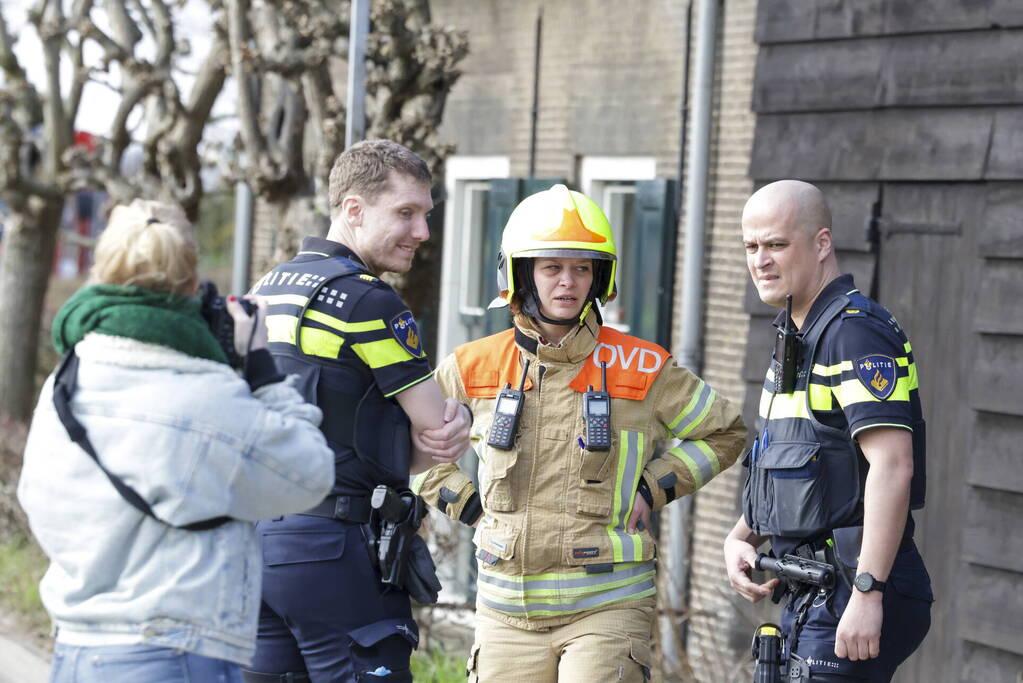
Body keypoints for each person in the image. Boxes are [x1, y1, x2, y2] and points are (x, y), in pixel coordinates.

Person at [413, 184, 746, 682]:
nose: (568, 282)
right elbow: (411, 446)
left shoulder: (644, 366)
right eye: (552, 267)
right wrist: (467, 505)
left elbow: (726, 433)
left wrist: (653, 487)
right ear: (521, 274)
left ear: (599, 277)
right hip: (505, 610)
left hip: (607, 606)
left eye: (582, 268)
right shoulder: (472, 364)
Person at [17, 199, 335, 682]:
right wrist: (261, 369)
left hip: (79, 650)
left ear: (102, 276)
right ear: (192, 285)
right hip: (175, 652)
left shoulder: (66, 380)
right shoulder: (206, 394)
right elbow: (311, 474)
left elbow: (35, 499)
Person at [243, 139, 471, 683]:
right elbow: (436, 430)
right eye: (406, 213)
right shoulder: (370, 303)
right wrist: (453, 422)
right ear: (353, 210)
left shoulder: (264, 289)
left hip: (256, 542)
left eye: (426, 215)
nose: (423, 233)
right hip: (334, 546)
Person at [724, 180, 933, 681]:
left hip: (852, 585)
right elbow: (789, 453)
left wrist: (867, 592)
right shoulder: (796, 334)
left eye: (776, 244)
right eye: (751, 246)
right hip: (811, 587)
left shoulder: (854, 332)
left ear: (821, 244)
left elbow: (893, 464)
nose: (761, 260)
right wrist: (740, 535)